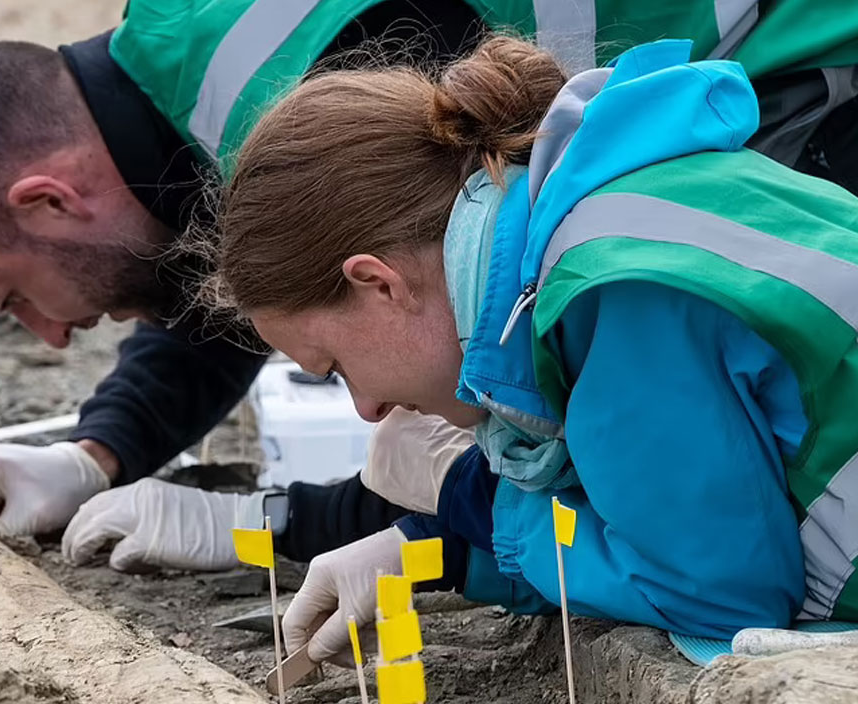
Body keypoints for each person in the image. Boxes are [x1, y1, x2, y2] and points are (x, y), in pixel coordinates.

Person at [0, 0, 858, 572]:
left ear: (45, 203)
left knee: (722, 454)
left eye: (11, 301)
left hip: (806, 59)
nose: (51, 336)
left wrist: (290, 525)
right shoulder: (188, 49)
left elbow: (485, 365)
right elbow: (272, 288)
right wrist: (98, 446)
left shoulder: (286, 95)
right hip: (705, 85)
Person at [195, 34, 858, 663]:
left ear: (378, 284)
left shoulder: (609, 292)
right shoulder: (608, 195)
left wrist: (489, 513)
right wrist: (446, 552)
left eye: (335, 367)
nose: (366, 409)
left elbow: (718, 596)